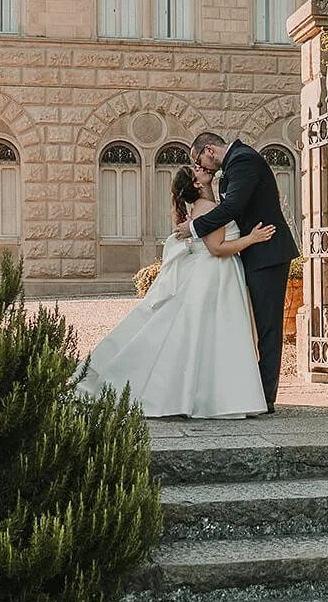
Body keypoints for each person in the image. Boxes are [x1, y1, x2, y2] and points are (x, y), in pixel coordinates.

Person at [76, 165, 273, 418]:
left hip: (215, 274)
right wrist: (252, 239)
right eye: (197, 170)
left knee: (208, 337)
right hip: (214, 273)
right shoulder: (208, 209)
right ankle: (213, 398)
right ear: (197, 183)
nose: (202, 169)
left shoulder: (208, 206)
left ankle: (210, 396)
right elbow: (216, 248)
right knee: (211, 333)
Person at [175, 133, 300, 414]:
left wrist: (193, 228)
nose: (202, 168)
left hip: (267, 254)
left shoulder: (242, 160)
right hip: (253, 254)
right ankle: (250, 390)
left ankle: (266, 397)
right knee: (254, 327)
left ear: (209, 149)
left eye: (200, 160)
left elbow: (232, 208)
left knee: (268, 327)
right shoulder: (235, 163)